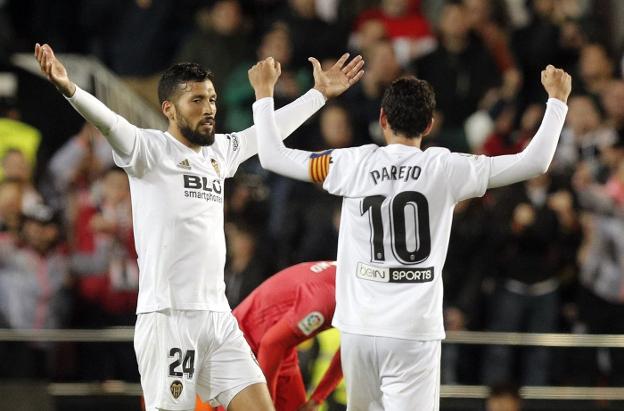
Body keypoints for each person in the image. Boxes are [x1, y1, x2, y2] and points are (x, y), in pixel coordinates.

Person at [34, 42, 363, 411]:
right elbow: (110, 122)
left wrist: (318, 95)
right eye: (197, 101)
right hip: (170, 318)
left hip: (218, 319)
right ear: (169, 109)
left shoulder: (219, 152)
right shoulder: (149, 150)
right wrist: (69, 89)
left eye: (212, 99)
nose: (209, 109)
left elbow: (268, 131)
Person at [248, 58, 570, 410]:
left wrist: (265, 93)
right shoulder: (447, 168)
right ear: (429, 125)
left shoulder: (351, 163)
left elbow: (272, 155)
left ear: (383, 120)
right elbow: (535, 161)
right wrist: (557, 100)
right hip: (412, 333)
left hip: (358, 330)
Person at [233, 261, 342, 411]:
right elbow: (270, 344)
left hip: (279, 347)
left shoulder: (356, 281)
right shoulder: (325, 303)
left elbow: (352, 349)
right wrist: (265, 404)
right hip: (240, 347)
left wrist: (317, 399)